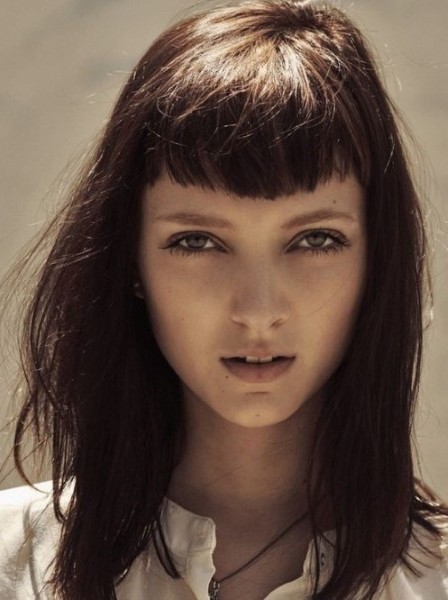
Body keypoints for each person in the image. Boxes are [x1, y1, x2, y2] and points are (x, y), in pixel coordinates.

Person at [0, 0, 447, 598]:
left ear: (378, 263)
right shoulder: (16, 564)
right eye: (197, 241)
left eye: (316, 239)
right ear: (131, 261)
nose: (258, 311)